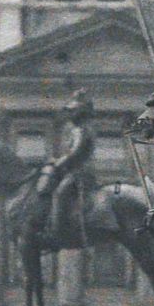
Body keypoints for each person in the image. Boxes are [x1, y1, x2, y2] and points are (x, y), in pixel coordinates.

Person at [39, 90, 97, 248]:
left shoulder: (82, 130)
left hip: (80, 172)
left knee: (59, 194)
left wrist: (60, 162)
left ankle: (58, 234)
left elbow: (75, 152)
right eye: (70, 111)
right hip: (73, 171)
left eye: (73, 111)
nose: (70, 114)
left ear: (81, 112)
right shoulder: (76, 130)